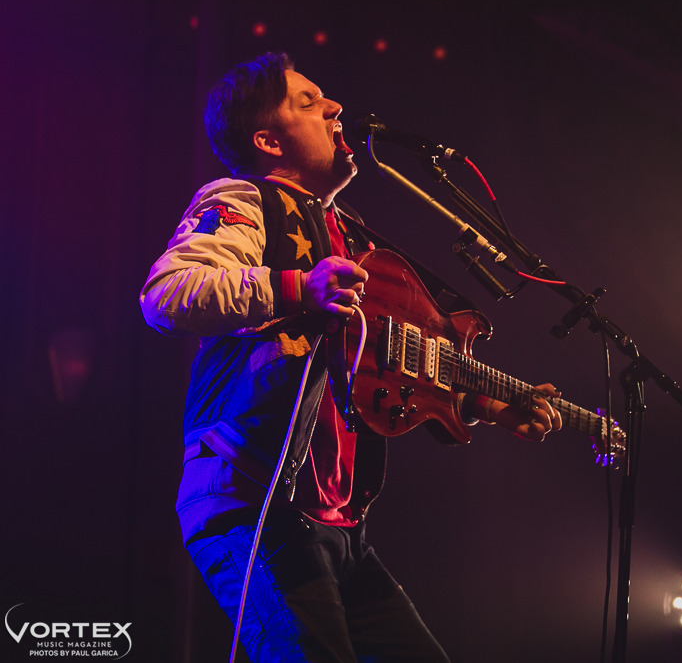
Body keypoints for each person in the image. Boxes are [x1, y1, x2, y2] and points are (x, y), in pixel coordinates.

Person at [139, 52, 562, 662]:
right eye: (308, 102)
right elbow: (168, 294)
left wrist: (481, 405)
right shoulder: (243, 198)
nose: (336, 107)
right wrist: (296, 289)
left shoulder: (355, 236)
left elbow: (390, 362)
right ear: (267, 140)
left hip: (340, 528)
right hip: (254, 505)